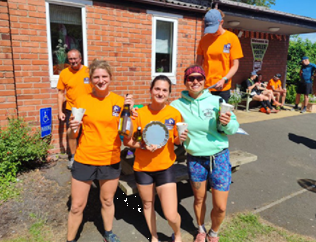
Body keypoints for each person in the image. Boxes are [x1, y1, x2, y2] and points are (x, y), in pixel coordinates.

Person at [67, 59, 134, 242]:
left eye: (104, 76)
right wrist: (73, 127)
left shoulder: (119, 102)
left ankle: (108, 233)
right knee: (77, 206)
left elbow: (127, 134)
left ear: (110, 78)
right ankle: (70, 239)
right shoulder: (82, 100)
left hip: (110, 159)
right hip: (85, 158)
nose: (101, 80)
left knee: (107, 201)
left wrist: (131, 114)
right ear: (91, 80)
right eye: (96, 77)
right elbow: (72, 135)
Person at [170, 65, 239, 242]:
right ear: (185, 82)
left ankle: (213, 232)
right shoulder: (176, 106)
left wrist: (226, 123)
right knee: (199, 199)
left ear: (204, 80)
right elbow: (170, 131)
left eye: (199, 78)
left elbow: (232, 128)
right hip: (195, 159)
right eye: (191, 78)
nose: (195, 81)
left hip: (219, 157)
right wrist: (177, 137)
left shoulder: (217, 102)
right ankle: (200, 229)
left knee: (221, 206)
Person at [124, 75, 188, 242]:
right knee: (147, 205)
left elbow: (176, 140)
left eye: (164, 90)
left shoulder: (174, 114)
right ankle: (153, 236)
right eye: (157, 89)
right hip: (143, 168)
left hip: (165, 167)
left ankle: (178, 234)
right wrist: (142, 146)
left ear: (169, 94)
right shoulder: (139, 112)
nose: (160, 93)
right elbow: (128, 140)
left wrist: (181, 138)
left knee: (171, 214)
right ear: (151, 91)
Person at [196, 9, 243, 102]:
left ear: (221, 22)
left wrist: (224, 79)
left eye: (214, 27)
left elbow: (235, 65)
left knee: (221, 116)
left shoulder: (232, 38)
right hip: (206, 87)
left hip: (223, 88)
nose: (211, 31)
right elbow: (198, 63)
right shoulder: (204, 40)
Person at [57, 49, 92, 169]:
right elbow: (61, 93)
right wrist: (60, 111)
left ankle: (87, 156)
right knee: (72, 134)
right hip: (71, 109)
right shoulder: (64, 73)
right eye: (70, 59)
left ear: (80, 58)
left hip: (88, 108)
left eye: (75, 58)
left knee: (87, 133)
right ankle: (73, 157)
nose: (73, 61)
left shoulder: (89, 71)